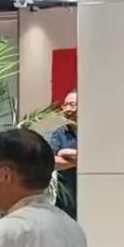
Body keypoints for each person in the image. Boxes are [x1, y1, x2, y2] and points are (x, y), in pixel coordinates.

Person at [49, 89, 78, 220]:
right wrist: (82, 161)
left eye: (72, 105)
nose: (67, 109)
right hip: (66, 199)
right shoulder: (59, 133)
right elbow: (52, 161)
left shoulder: (92, 132)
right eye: (65, 105)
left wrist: (66, 153)